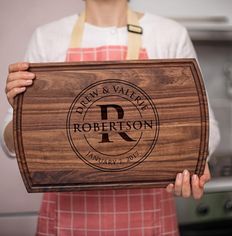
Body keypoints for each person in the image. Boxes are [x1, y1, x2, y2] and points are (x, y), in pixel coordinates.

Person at [2, 0, 220, 235]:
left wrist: (192, 162)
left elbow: (208, 127)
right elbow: (9, 143)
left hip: (150, 220)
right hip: (65, 222)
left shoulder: (169, 34)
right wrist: (26, 113)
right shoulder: (47, 37)